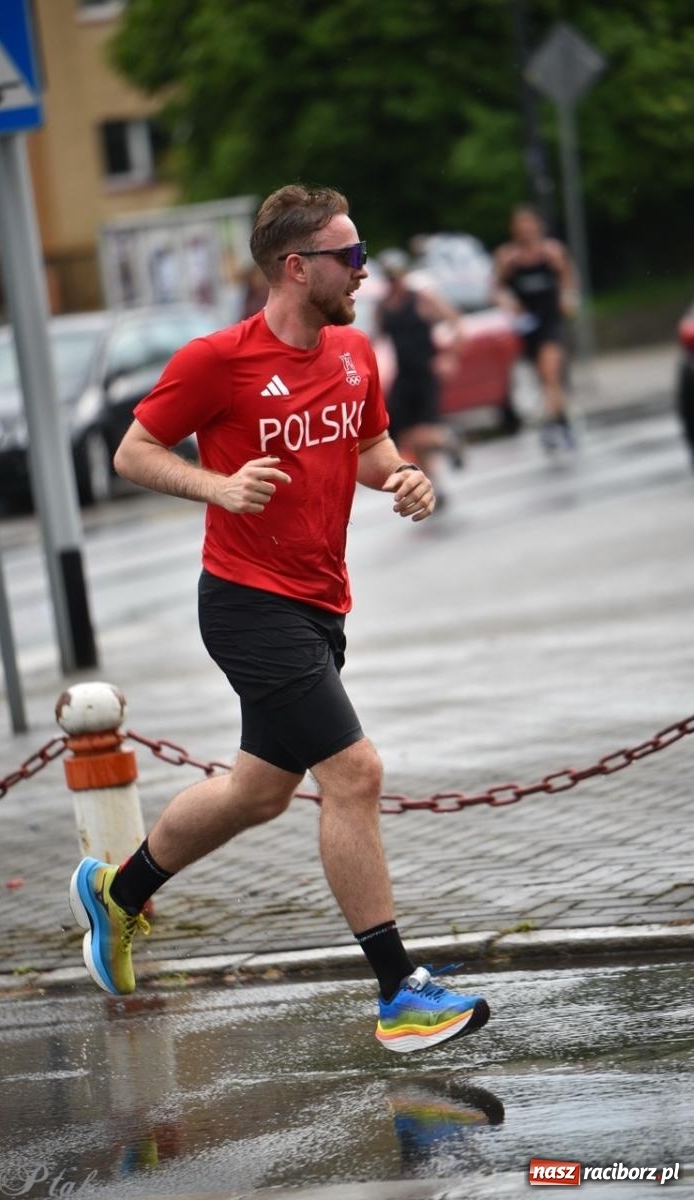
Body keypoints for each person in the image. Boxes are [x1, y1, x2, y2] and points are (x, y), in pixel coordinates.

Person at [68, 184, 490, 1054]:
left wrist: (403, 474)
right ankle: (398, 990)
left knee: (258, 793)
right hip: (246, 602)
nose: (364, 271)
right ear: (296, 268)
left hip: (319, 602)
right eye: (350, 256)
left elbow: (367, 446)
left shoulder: (353, 353)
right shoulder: (216, 360)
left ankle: (118, 892)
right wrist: (216, 487)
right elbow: (133, 452)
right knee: (354, 773)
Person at [377, 249, 465, 505]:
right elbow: (377, 338)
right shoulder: (384, 306)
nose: (394, 281)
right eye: (390, 277)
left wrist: (450, 357)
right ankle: (435, 484)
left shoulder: (421, 299)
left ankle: (448, 440)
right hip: (403, 375)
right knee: (406, 435)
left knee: (421, 431)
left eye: (397, 276)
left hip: (425, 373)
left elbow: (455, 321)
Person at [493, 205, 578, 450]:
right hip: (527, 325)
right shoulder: (508, 257)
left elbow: (568, 278)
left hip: (551, 321)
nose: (526, 232)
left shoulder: (551, 252)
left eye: (529, 226)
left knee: (549, 371)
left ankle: (552, 425)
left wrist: (567, 298)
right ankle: (562, 421)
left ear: (538, 226)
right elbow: (495, 290)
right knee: (544, 377)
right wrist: (508, 304)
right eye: (520, 227)